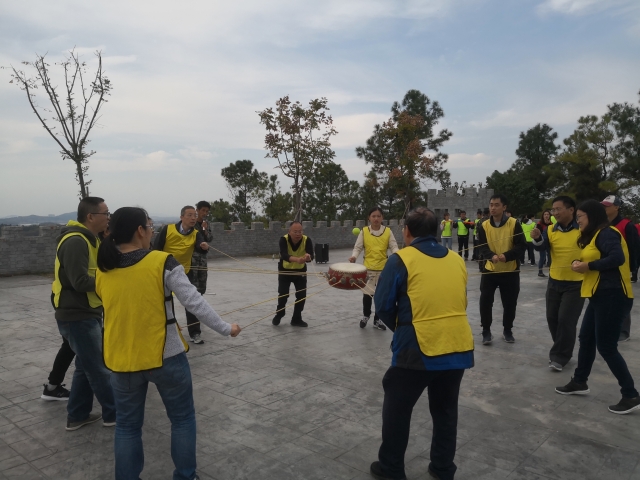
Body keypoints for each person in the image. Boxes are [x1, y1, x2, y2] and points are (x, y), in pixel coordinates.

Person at [96, 207, 241, 480]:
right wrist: (226, 328)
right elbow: (195, 302)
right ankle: (185, 476)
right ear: (140, 231)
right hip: (166, 356)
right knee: (182, 420)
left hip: (122, 360)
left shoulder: (103, 268)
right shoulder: (162, 261)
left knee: (127, 426)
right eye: (150, 227)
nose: (152, 232)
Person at [369, 207, 474, 480]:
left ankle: (391, 468)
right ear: (437, 231)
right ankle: (443, 468)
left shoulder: (401, 259)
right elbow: (461, 300)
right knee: (445, 411)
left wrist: (404, 327)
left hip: (418, 348)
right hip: (458, 344)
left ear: (406, 232)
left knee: (397, 408)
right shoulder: (456, 259)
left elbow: (383, 306)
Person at [555, 200, 639, 415]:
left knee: (607, 346)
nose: (578, 221)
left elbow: (617, 258)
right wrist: (579, 264)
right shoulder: (594, 235)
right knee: (586, 338)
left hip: (613, 296)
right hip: (598, 295)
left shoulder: (607, 233)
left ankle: (630, 394)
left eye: (580, 216)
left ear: (591, 216)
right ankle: (579, 381)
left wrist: (588, 266)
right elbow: (596, 258)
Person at [51, 196, 116, 430]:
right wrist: (111, 282)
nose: (108, 217)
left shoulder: (91, 239)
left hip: (88, 310)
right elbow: (79, 281)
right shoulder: (76, 241)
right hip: (77, 314)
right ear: (90, 216)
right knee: (98, 368)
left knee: (84, 366)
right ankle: (115, 413)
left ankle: (77, 414)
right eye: (105, 213)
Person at [531, 196, 584, 372]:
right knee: (552, 318)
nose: (554, 213)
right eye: (553, 210)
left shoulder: (583, 229)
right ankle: (562, 347)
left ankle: (560, 356)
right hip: (554, 281)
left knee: (565, 320)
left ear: (571, 210)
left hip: (576, 284)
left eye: (558, 209)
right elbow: (542, 247)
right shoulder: (551, 229)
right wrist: (537, 238)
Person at [153, 206, 210, 341]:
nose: (193, 218)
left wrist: (203, 246)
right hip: (164, 271)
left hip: (185, 272)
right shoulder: (168, 229)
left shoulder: (196, 233)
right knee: (164, 301)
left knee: (191, 300)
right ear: (181, 217)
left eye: (194, 215)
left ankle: (195, 333)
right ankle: (167, 330)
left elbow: (200, 245)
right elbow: (156, 248)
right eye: (189, 215)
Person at [476, 194, 526, 345]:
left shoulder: (514, 223)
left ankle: (507, 330)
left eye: (497, 205)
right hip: (490, 270)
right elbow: (482, 246)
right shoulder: (484, 225)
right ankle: (486, 331)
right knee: (485, 302)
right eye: (491, 204)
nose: (493, 208)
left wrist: (507, 256)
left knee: (510, 303)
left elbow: (521, 245)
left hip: (510, 271)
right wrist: (491, 256)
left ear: (504, 207)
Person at [349, 207, 400, 330]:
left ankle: (378, 319)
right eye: (373, 216)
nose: (376, 218)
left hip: (383, 269)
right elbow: (358, 247)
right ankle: (366, 315)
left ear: (382, 218)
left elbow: (393, 246)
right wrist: (354, 256)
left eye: (378, 216)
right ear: (369, 218)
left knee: (381, 296)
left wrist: (398, 255)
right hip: (368, 269)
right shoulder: (364, 231)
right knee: (367, 294)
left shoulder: (388, 231)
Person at [601, 195, 639, 342]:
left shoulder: (627, 225)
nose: (604, 208)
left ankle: (623, 330)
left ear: (616, 207)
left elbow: (634, 248)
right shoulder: (602, 225)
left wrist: (632, 268)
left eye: (607, 205)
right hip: (604, 267)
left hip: (622, 269)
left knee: (622, 299)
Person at [272, 221, 314, 327]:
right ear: (289, 231)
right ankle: (280, 314)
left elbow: (311, 256)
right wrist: (297, 260)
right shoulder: (283, 239)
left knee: (301, 295)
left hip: (300, 272)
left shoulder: (307, 240)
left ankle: (296, 319)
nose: (298, 234)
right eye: (295, 232)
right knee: (283, 294)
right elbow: (284, 255)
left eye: (300, 231)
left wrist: (308, 258)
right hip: (285, 271)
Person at [184, 201, 213, 344]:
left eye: (207, 211)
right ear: (197, 210)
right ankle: (194, 331)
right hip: (191, 264)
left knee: (200, 292)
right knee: (192, 295)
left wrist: (205, 230)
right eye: (203, 211)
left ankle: (197, 319)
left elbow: (210, 239)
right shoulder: (191, 225)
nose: (204, 213)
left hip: (202, 263)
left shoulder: (205, 224)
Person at [536, 209, 553, 277]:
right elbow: (538, 233)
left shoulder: (551, 223)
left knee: (550, 257)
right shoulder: (539, 224)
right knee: (542, 257)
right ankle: (540, 272)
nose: (546, 216)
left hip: (550, 242)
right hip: (542, 242)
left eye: (547, 214)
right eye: (545, 214)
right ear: (543, 216)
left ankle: (551, 272)